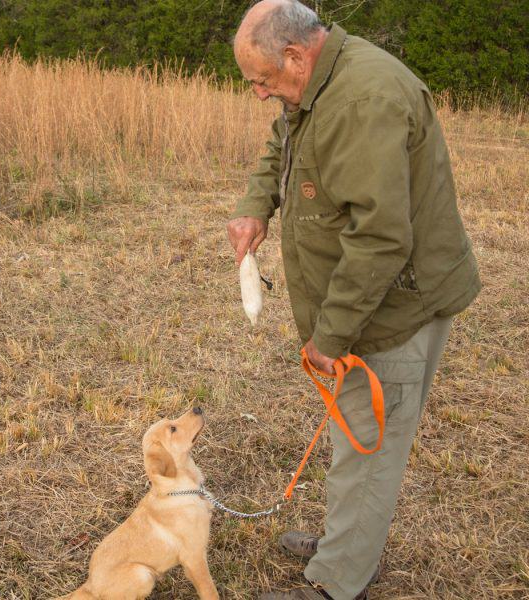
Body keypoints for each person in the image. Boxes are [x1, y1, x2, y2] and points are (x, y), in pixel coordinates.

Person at [226, 1, 481, 599]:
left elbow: (382, 238)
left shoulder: (364, 100)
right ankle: (349, 541)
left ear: (294, 54)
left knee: (369, 448)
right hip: (372, 299)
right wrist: (255, 207)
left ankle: (338, 582)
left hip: (393, 307)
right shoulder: (313, 86)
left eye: (262, 80)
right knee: (353, 437)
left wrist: (331, 335)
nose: (261, 94)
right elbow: (282, 142)